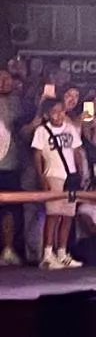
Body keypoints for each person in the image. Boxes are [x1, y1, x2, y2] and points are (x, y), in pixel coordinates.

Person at [31, 98, 85, 269]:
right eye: (55, 111)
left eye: (61, 111)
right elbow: (37, 155)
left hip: (71, 176)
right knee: (53, 215)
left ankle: (62, 252)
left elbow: (77, 151)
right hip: (53, 175)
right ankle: (47, 254)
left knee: (68, 215)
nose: (59, 115)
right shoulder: (42, 131)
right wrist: (41, 177)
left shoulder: (70, 128)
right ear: (47, 114)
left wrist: (80, 172)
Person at [0, 68, 25, 266]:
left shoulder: (17, 102)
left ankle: (8, 250)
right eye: (0, 79)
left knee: (10, 209)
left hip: (10, 164)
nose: (4, 82)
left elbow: (22, 128)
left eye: (7, 78)